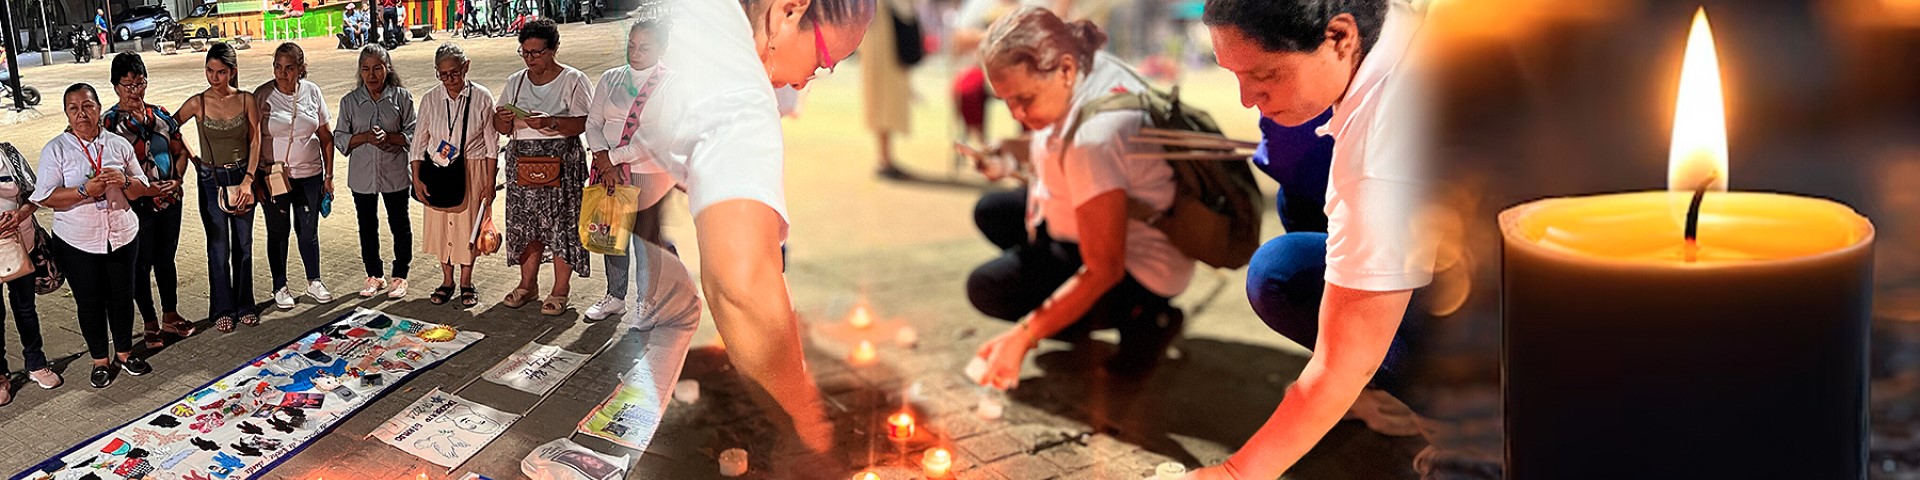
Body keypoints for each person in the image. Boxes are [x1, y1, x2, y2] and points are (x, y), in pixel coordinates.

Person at [1184, 0, 1437, 478]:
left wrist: (1237, 471)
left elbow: (1347, 359)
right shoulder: (1400, 26)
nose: (1246, 99)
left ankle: (1476, 421)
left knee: (1280, 274)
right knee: (1299, 203)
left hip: (1541, 340)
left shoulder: (1380, 150)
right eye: (1233, 75)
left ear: (1340, 37)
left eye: (1265, 74)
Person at [630, 0, 875, 463]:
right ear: (788, 12)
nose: (806, 81)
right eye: (824, 61)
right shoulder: (740, 94)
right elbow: (741, 287)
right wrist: (804, 424)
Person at [967, 8, 1192, 385]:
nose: (1017, 114)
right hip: (1113, 219)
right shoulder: (1091, 68)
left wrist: (1024, 336)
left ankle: (1145, 315)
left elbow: (1105, 268)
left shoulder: (1094, 139)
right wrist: (1008, 158)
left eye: (1024, 99)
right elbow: (1051, 146)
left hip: (1142, 264)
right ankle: (1088, 311)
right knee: (993, 210)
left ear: (1065, 69)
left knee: (988, 289)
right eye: (1004, 100)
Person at [33, 83, 159, 388]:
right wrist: (82, 191)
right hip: (77, 240)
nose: (81, 114)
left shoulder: (117, 145)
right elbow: (45, 197)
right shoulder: (57, 149)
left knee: (122, 297)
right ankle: (100, 360)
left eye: (87, 106)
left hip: (121, 234)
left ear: (98, 108)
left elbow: (143, 188)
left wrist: (125, 180)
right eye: (73, 108)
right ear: (66, 113)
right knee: (89, 301)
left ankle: (126, 354)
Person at [491, 19, 591, 317]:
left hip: (560, 161)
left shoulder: (573, 79)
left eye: (536, 52)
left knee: (562, 225)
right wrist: (505, 118)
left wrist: (551, 123)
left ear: (553, 49)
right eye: (525, 52)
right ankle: (527, 284)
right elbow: (499, 126)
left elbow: (585, 122)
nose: (531, 59)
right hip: (523, 161)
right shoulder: (516, 81)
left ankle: (560, 289)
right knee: (527, 224)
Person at [582, 16, 674, 322]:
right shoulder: (610, 78)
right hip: (608, 171)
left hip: (648, 172)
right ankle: (615, 296)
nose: (635, 53)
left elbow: (659, 135)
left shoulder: (671, 82)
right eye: (631, 45)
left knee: (646, 240)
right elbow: (593, 122)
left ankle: (647, 301)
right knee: (612, 235)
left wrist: (614, 157)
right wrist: (600, 156)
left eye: (644, 48)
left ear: (662, 48)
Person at [103, 52, 196, 347]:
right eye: (127, 85)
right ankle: (150, 322)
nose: (134, 91)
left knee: (166, 260)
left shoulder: (161, 115)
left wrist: (177, 179)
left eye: (139, 83)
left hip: (169, 201)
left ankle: (171, 315)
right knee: (140, 265)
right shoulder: (109, 123)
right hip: (135, 205)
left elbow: (180, 151)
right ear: (115, 86)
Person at [174, 43, 263, 334]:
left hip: (242, 176)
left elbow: (255, 140)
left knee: (244, 244)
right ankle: (222, 309)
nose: (215, 78)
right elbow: (171, 127)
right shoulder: (198, 102)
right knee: (218, 245)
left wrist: (250, 179)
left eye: (221, 72)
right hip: (210, 179)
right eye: (210, 71)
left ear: (232, 71)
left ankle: (245, 304)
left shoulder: (247, 100)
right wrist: (192, 157)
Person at [412, 43, 499, 309]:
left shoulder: (482, 97)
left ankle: (466, 282)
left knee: (467, 228)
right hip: (437, 169)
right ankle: (446, 280)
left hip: (472, 167)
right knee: (441, 226)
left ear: (466, 66)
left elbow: (491, 143)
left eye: (455, 73)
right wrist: (416, 178)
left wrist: (490, 182)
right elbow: (419, 141)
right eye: (443, 74)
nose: (450, 79)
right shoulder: (430, 99)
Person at [255, 43, 336, 310]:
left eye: (289, 68)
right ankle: (280, 286)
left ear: (301, 69)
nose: (282, 73)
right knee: (278, 231)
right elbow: (252, 139)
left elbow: (326, 136)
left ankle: (314, 281)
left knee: (308, 230)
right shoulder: (263, 95)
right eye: (278, 66)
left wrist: (329, 176)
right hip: (274, 176)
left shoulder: (312, 92)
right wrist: (255, 176)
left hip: (310, 174)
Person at [334, 45, 416, 299]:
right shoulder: (350, 101)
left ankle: (400, 276)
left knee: (399, 224)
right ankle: (374, 275)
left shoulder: (402, 97)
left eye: (377, 68)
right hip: (362, 176)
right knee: (367, 225)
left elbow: (415, 134)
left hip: (395, 173)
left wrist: (390, 137)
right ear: (360, 71)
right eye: (366, 69)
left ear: (387, 68)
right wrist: (366, 138)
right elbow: (340, 137)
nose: (371, 75)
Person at [0, 142, 58, 403]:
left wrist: (19, 215)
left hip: (19, 243)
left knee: (25, 307)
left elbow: (37, 194)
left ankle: (36, 362)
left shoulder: (8, 153)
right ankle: (1, 376)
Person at [860, 0, 913, 179]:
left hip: (889, 29)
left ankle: (886, 157)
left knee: (889, 97)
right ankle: (884, 159)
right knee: (881, 98)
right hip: (878, 28)